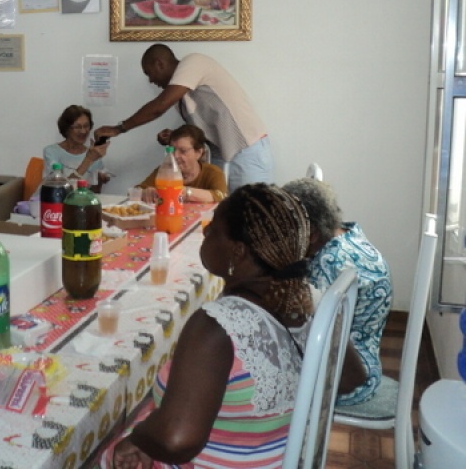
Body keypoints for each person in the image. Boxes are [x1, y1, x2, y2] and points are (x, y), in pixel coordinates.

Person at [100, 183, 366, 468]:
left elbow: (176, 441)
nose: (205, 232)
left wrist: (137, 438)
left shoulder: (217, 327)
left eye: (213, 228)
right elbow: (352, 377)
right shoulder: (305, 300)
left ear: (237, 252)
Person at [94, 44, 272, 191]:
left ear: (160, 63)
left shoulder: (193, 62)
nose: (150, 80)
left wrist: (119, 128)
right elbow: (200, 131)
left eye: (149, 73)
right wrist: (174, 137)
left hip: (246, 148)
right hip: (221, 154)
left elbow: (159, 106)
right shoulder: (181, 96)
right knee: (221, 215)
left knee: (251, 213)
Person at [283, 177, 392, 405]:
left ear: (311, 234)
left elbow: (308, 332)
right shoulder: (349, 235)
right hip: (365, 360)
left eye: (288, 230)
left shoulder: (328, 264)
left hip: (345, 377)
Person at [136, 124, 227, 204]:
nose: (175, 156)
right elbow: (136, 190)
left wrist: (185, 192)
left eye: (183, 151)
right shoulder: (165, 171)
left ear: (198, 153)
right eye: (172, 150)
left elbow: (221, 196)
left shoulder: (212, 172)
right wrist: (145, 192)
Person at [44, 105, 110, 193]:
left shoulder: (94, 154)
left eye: (86, 126)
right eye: (77, 127)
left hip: (80, 203)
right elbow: (60, 191)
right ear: (66, 128)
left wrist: (100, 182)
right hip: (52, 202)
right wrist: (88, 160)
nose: (83, 131)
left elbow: (94, 194)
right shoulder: (51, 152)